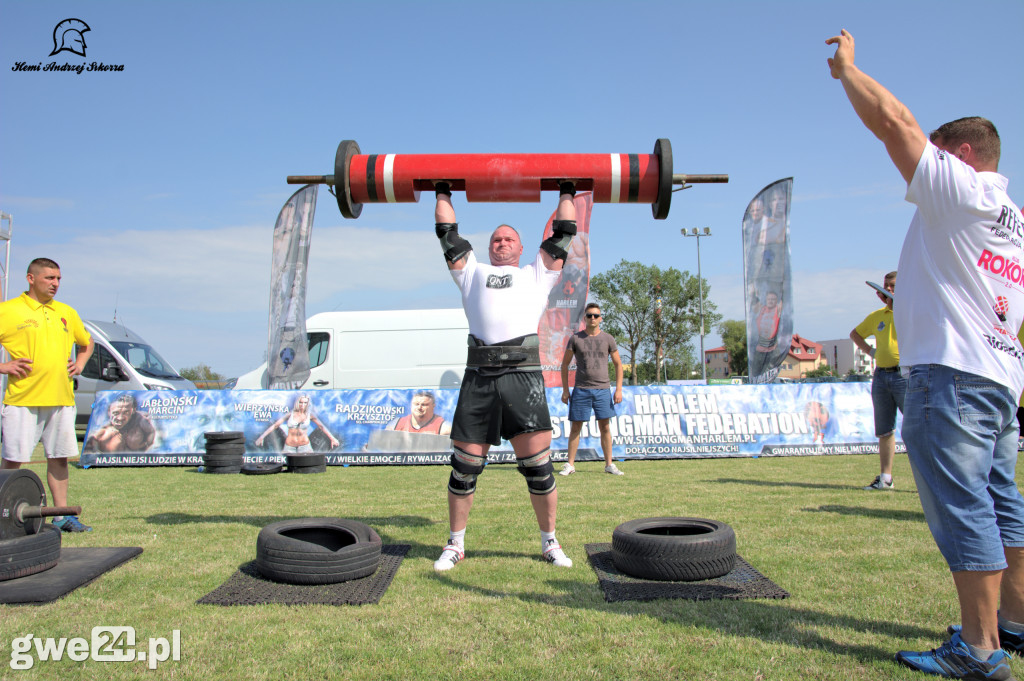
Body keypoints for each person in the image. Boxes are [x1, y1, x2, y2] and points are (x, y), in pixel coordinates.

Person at [828, 29, 1024, 679]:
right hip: (998, 376)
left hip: (953, 373)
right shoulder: (1013, 218)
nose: (922, 167)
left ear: (962, 154)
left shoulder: (962, 189)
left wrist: (848, 72)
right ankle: (1014, 625)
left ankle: (978, 648)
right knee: (1002, 502)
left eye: (937, 156)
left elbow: (896, 122)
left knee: (965, 506)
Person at [431, 180, 577, 572]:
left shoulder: (537, 274)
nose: (501, 243)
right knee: (464, 469)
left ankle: (550, 542)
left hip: (523, 377)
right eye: (496, 239)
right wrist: (441, 191)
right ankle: (455, 544)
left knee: (539, 469)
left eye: (509, 238)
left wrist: (567, 190)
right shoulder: (471, 274)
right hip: (479, 377)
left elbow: (564, 232)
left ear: (521, 248)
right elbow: (447, 234)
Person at [0, 258, 94, 532]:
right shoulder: (9, 311)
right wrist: (4, 366)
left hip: (62, 400)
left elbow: (87, 343)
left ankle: (62, 515)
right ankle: (3, 514)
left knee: (60, 457)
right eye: (49, 278)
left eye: (58, 279)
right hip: (22, 401)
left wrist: (79, 364)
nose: (55, 284)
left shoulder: (66, 311)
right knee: (13, 459)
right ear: (31, 278)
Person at [849, 272, 906, 491]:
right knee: (884, 430)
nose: (887, 290)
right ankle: (885, 478)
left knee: (914, 429)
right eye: (885, 286)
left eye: (892, 286)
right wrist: (871, 352)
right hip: (881, 376)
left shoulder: (909, 312)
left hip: (905, 376)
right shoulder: (877, 316)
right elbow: (855, 334)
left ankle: (927, 480)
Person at [558, 302, 624, 476]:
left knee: (605, 428)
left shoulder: (608, 339)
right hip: (581, 389)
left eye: (596, 315)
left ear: (600, 318)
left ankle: (609, 464)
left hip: (603, 390)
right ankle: (570, 465)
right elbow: (564, 365)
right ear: (584, 318)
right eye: (589, 315)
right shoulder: (575, 338)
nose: (592, 318)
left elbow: (618, 365)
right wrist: (566, 390)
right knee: (575, 428)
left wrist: (618, 389)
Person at [254, 394, 340, 452]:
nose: (302, 405)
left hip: (305, 446)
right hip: (289, 447)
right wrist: (261, 437)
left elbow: (321, 426)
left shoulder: (309, 415)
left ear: (307, 404)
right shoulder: (290, 414)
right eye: (301, 402)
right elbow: (275, 425)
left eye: (305, 403)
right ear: (297, 402)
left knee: (310, 467)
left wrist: (332, 438)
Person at [82, 393, 156, 453]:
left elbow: (153, 434)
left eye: (126, 412)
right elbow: (91, 443)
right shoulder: (104, 429)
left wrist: (148, 451)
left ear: (133, 411)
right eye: (116, 413)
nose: (120, 417)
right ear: (109, 412)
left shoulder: (141, 420)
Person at [387, 390, 451, 436]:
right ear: (411, 405)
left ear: (433, 406)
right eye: (416, 404)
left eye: (424, 404)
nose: (419, 407)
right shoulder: (395, 424)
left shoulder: (444, 427)